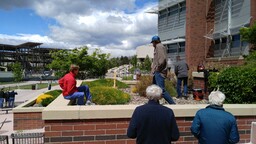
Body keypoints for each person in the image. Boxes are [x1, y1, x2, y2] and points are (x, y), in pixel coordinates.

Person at [150, 35, 175, 104]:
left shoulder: (159, 46)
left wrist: (157, 68)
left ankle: (173, 104)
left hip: (159, 72)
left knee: (161, 90)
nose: (152, 44)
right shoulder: (158, 47)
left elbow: (162, 59)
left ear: (155, 42)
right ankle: (154, 103)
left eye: (153, 42)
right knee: (154, 89)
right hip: (157, 72)